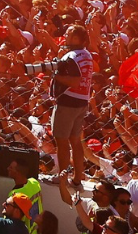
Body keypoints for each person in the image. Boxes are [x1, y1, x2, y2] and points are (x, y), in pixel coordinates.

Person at [53, 25, 96, 189]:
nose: (66, 36)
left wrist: (57, 76)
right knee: (75, 141)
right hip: (82, 101)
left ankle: (62, 177)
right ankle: (78, 177)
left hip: (68, 102)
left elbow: (74, 81)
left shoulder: (71, 56)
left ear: (79, 39)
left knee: (62, 141)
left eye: (70, 34)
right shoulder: (87, 55)